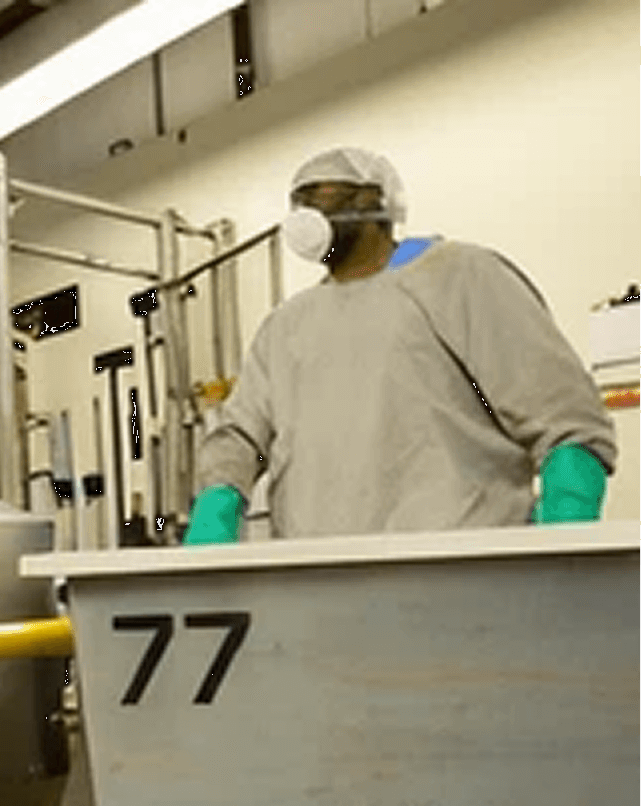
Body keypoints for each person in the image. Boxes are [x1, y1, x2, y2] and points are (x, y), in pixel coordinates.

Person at [184, 147, 616, 543]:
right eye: (302, 200)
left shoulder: (459, 276)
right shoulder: (285, 326)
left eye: (326, 195)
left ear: (375, 202)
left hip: (459, 570)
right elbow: (238, 437)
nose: (311, 212)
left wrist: (565, 530)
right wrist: (216, 508)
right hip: (318, 575)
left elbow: (562, 412)